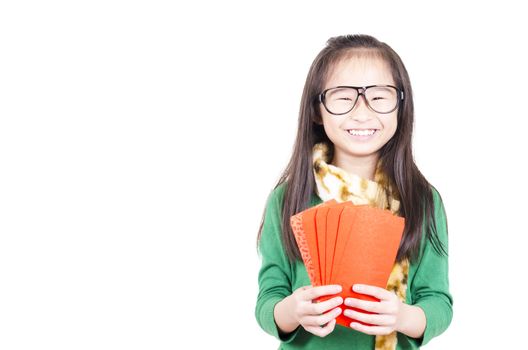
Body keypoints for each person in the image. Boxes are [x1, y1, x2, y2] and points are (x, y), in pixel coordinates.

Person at [254, 34, 453, 350]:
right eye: (343, 96)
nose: (362, 112)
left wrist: (402, 317)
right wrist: (291, 311)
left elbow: (438, 302)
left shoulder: (423, 200)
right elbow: (269, 299)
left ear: (401, 106)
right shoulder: (288, 198)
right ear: (317, 110)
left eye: (379, 96)